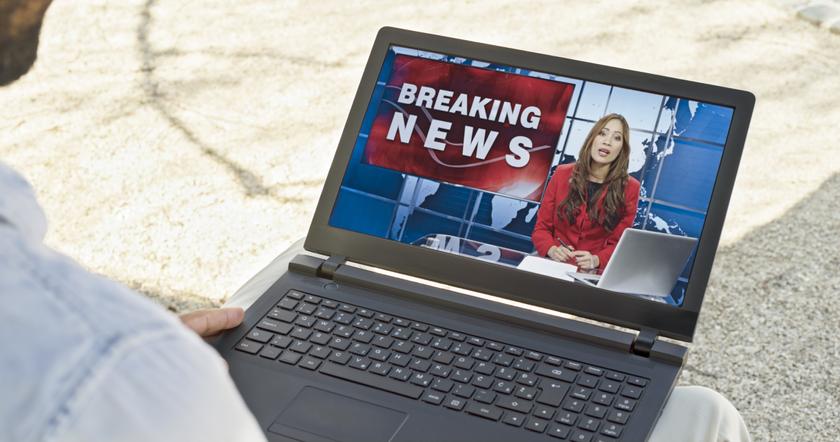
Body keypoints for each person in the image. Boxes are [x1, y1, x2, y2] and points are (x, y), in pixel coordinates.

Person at [0, 2, 750, 441]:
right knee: (708, 417)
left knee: (286, 272)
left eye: (618, 141)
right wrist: (563, 252)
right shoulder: (557, 175)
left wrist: (593, 262)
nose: (610, 146)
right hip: (546, 266)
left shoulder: (628, 192)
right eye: (605, 136)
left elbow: (615, 246)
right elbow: (542, 232)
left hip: (582, 286)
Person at [532, 113, 641, 273]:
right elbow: (541, 228)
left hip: (592, 273)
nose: (607, 141)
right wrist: (552, 249)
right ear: (592, 138)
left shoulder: (630, 187)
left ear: (622, 149)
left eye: (617, 138)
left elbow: (619, 243)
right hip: (553, 266)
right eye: (602, 133)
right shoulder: (562, 174)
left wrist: (596, 260)